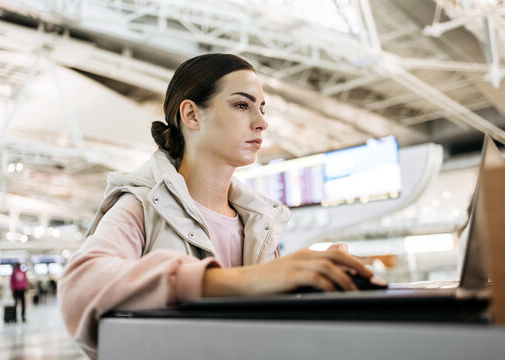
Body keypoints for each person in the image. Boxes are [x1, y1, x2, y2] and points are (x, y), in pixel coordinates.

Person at [58, 53, 375, 359]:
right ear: (192, 115)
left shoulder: (260, 223)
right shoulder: (142, 205)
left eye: (262, 109)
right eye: (242, 105)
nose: (262, 122)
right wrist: (229, 282)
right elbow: (80, 284)